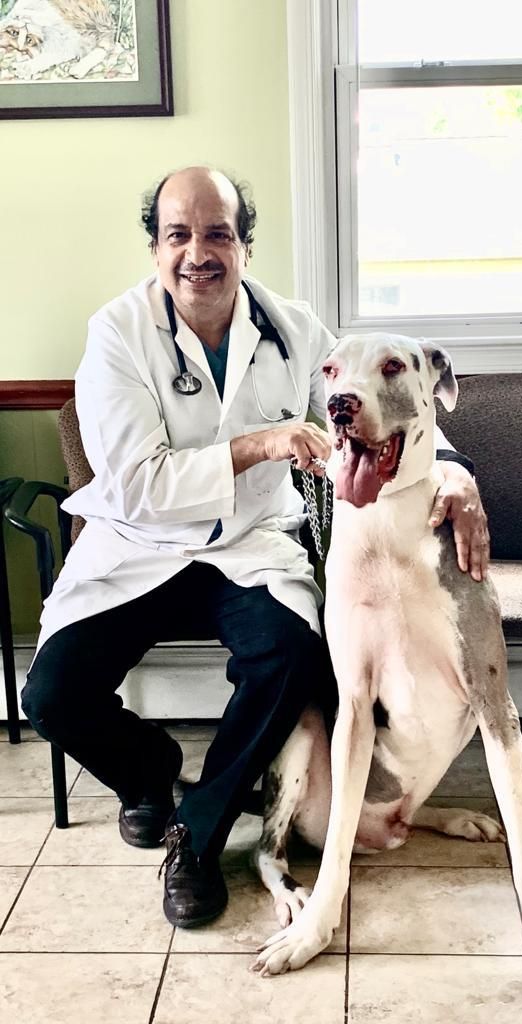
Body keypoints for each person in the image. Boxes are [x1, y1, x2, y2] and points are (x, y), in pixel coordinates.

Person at [21, 166, 490, 929]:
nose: (198, 252)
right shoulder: (117, 333)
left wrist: (457, 476)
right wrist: (262, 443)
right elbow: (135, 483)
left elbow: (381, 414)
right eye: (179, 234)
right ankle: (151, 776)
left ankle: (196, 839)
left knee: (291, 655)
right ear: (155, 247)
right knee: (50, 696)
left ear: (244, 245)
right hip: (137, 544)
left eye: (217, 234)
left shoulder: (296, 330)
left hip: (248, 543)